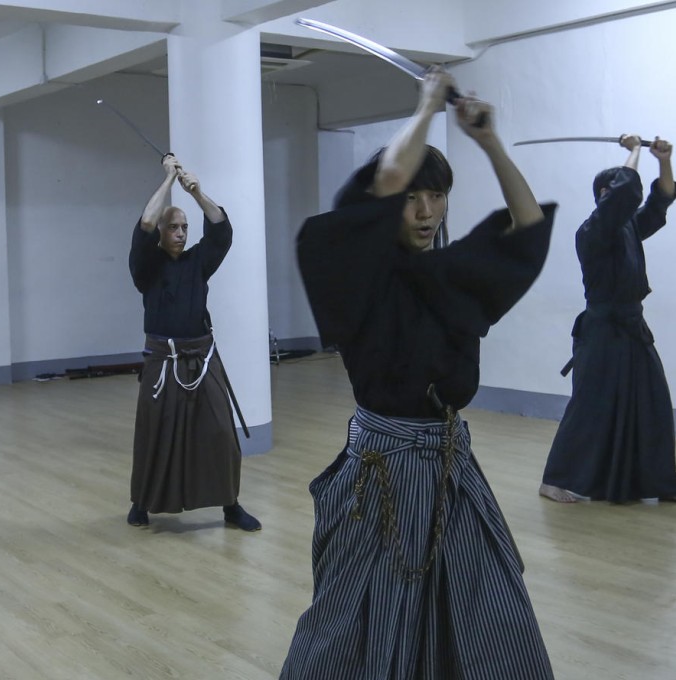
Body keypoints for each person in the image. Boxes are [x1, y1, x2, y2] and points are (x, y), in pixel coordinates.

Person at [282, 71, 555, 678]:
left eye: (437, 195)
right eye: (413, 198)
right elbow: (384, 181)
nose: (426, 210)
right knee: (359, 619)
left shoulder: (455, 277)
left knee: (489, 612)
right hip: (384, 471)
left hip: (453, 467)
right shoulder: (352, 272)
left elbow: (529, 229)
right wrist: (428, 105)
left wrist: (489, 142)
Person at [127, 154, 260, 532]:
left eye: (185, 227)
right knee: (155, 432)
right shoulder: (146, 267)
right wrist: (168, 178)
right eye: (174, 227)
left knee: (221, 432)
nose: (181, 233)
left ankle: (230, 505)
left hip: (201, 358)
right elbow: (146, 222)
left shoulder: (198, 262)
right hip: (162, 361)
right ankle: (141, 503)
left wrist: (196, 192)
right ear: (162, 233)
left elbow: (220, 229)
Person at [540, 135, 676, 503]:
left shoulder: (629, 227)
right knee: (590, 405)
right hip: (601, 329)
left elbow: (661, 200)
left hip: (632, 327)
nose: (628, 199)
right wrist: (634, 150)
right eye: (619, 191)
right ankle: (554, 480)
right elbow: (626, 192)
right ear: (605, 194)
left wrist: (663, 160)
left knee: (652, 401)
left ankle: (660, 482)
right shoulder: (592, 232)